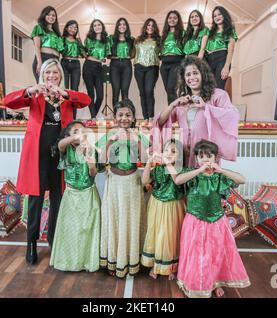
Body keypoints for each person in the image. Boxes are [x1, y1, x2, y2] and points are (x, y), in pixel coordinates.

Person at [3, 59, 91, 265]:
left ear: (60, 76)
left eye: (55, 73)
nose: (52, 76)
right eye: (48, 73)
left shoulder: (65, 98)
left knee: (58, 198)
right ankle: (31, 242)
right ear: (42, 75)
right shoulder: (35, 96)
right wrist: (29, 90)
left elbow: (85, 100)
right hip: (37, 154)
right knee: (36, 198)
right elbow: (8, 101)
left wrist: (65, 93)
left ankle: (55, 239)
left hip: (59, 153)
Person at [172, 140, 250, 298]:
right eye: (201, 156)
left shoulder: (219, 177)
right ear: (196, 159)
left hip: (216, 221)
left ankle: (215, 282)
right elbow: (178, 180)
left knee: (215, 253)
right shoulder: (192, 175)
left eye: (209, 156)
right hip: (195, 220)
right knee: (196, 254)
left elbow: (242, 179)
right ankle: (195, 282)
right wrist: (199, 170)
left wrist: (221, 170)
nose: (205, 159)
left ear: (215, 158)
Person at [153, 56, 239, 168]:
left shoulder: (218, 95)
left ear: (203, 74)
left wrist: (206, 107)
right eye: (188, 75)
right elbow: (159, 121)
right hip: (184, 156)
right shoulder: (183, 101)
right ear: (184, 79)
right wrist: (173, 104)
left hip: (205, 157)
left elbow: (232, 115)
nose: (192, 77)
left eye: (195, 73)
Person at [97, 99, 149, 278]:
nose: (124, 118)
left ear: (134, 117)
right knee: (115, 218)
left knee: (132, 219)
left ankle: (133, 258)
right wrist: (111, 141)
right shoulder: (109, 134)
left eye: (128, 115)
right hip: (114, 181)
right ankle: (113, 259)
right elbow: (102, 159)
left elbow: (145, 158)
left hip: (133, 181)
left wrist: (136, 141)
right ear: (115, 118)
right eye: (121, 115)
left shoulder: (139, 135)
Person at [50, 121, 101, 272]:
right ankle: (69, 261)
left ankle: (87, 261)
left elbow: (93, 173)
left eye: (83, 131)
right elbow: (60, 144)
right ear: (68, 136)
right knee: (71, 229)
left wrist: (91, 164)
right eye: (75, 131)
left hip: (88, 194)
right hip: (71, 195)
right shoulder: (66, 149)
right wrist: (76, 137)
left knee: (87, 230)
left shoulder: (91, 150)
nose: (80, 133)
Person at [141, 139, 185, 280]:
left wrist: (167, 163)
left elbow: (176, 178)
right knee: (156, 233)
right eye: (166, 150)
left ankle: (171, 266)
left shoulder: (180, 169)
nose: (169, 153)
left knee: (170, 236)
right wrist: (149, 162)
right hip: (157, 204)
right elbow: (144, 181)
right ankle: (156, 265)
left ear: (180, 156)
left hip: (173, 206)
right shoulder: (158, 169)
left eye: (173, 151)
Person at [198, 6, 238, 90]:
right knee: (208, 88)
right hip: (209, 60)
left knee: (218, 88)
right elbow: (202, 48)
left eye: (219, 14)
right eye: (214, 16)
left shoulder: (230, 30)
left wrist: (226, 67)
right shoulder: (210, 32)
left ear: (224, 15)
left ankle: (218, 103)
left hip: (221, 59)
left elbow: (231, 50)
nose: (217, 17)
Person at [83, 19, 111, 119]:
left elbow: (108, 55)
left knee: (100, 96)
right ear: (92, 28)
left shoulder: (106, 40)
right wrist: (96, 59)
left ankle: (93, 115)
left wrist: (103, 59)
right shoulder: (88, 39)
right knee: (91, 94)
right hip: (88, 67)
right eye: (94, 25)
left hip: (99, 68)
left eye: (99, 25)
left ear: (102, 26)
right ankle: (93, 117)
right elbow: (85, 54)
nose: (97, 27)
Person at [134, 18, 161, 120]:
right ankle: (145, 117)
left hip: (152, 68)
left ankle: (151, 116)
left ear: (155, 28)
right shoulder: (138, 40)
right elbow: (132, 53)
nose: (150, 27)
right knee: (142, 93)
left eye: (152, 26)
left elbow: (162, 53)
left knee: (149, 91)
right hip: (139, 68)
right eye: (148, 25)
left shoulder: (158, 40)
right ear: (145, 27)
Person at [61, 20, 86, 119]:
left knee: (74, 91)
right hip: (64, 63)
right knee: (64, 90)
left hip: (76, 64)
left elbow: (84, 54)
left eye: (75, 28)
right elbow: (59, 51)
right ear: (67, 28)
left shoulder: (77, 41)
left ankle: (73, 117)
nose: (73, 29)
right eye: (71, 27)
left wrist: (81, 41)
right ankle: (64, 115)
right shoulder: (62, 39)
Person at [31, 6, 64, 81]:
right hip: (43, 58)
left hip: (55, 60)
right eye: (48, 15)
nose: (51, 17)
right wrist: (39, 62)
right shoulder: (38, 27)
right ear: (44, 16)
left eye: (53, 15)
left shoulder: (57, 33)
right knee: (43, 86)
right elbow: (37, 46)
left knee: (55, 88)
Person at [108, 18, 135, 107]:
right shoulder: (111, 38)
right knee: (115, 91)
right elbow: (106, 51)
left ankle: (125, 115)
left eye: (124, 24)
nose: (122, 26)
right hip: (114, 65)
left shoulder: (131, 39)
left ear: (127, 26)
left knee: (125, 91)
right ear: (117, 26)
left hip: (127, 65)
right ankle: (116, 116)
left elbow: (133, 54)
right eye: (120, 24)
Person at [160, 10, 185, 105]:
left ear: (178, 20)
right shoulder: (164, 35)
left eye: (175, 18)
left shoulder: (183, 33)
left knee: (171, 88)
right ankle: (173, 111)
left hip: (177, 62)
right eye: (170, 18)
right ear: (167, 20)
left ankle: (174, 112)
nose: (172, 20)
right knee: (168, 90)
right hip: (164, 64)